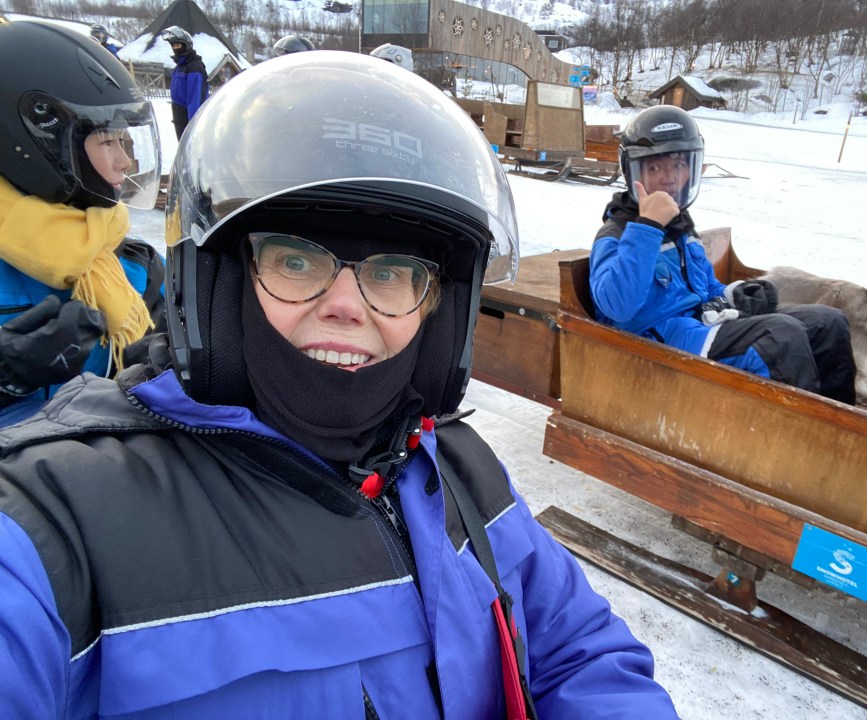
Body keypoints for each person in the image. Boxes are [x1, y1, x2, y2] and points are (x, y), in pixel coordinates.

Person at [0, 52, 679, 718]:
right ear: (219, 285)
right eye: (296, 260)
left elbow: (581, 649)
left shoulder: (460, 473)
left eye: (391, 274)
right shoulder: (65, 522)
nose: (348, 307)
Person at [590, 105, 857, 403]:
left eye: (677, 165)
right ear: (633, 172)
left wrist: (734, 295)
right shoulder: (617, 235)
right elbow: (618, 307)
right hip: (658, 344)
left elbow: (704, 287)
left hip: (701, 322)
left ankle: (842, 423)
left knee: (828, 322)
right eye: (655, 168)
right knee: (780, 337)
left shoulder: (681, 229)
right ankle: (802, 438)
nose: (668, 178)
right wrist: (648, 226)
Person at [0, 20, 166, 427]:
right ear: (40, 146)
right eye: (107, 141)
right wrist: (6, 377)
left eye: (123, 141)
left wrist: (166, 365)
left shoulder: (132, 263)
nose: (125, 163)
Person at [161, 25, 208, 139]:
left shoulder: (194, 67)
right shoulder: (180, 66)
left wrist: (193, 126)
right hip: (179, 116)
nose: (176, 48)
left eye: (178, 45)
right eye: (174, 46)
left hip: (189, 118)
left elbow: (195, 99)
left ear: (186, 45)